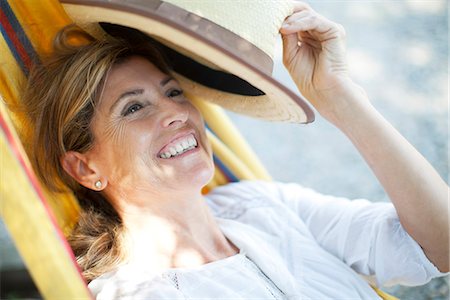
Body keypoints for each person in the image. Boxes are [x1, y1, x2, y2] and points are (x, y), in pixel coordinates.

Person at [22, 2, 448, 299]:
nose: (176, 112)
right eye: (133, 107)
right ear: (84, 166)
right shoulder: (135, 292)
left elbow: (440, 245)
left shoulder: (259, 203)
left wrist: (340, 99)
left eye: (173, 92)